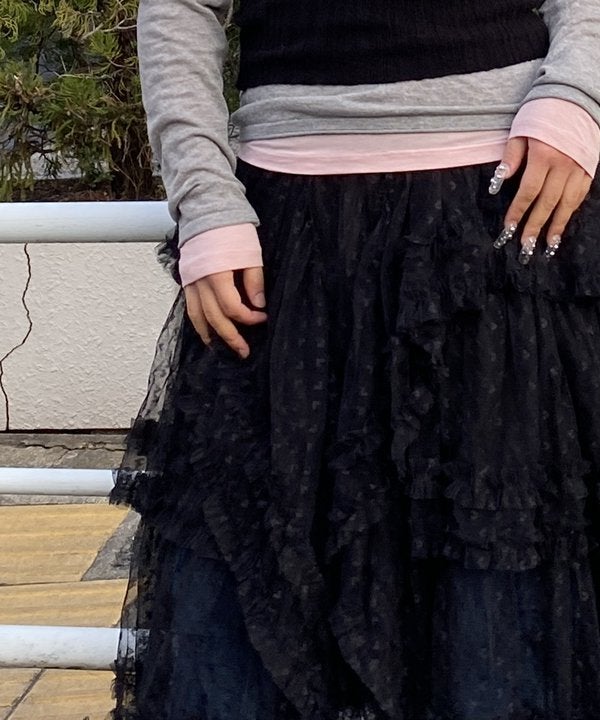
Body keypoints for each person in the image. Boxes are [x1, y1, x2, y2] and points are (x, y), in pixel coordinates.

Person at [107, 0, 600, 718]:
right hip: (283, 237)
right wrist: (204, 199)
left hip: (505, 219)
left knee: (499, 624)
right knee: (242, 607)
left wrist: (578, 94)